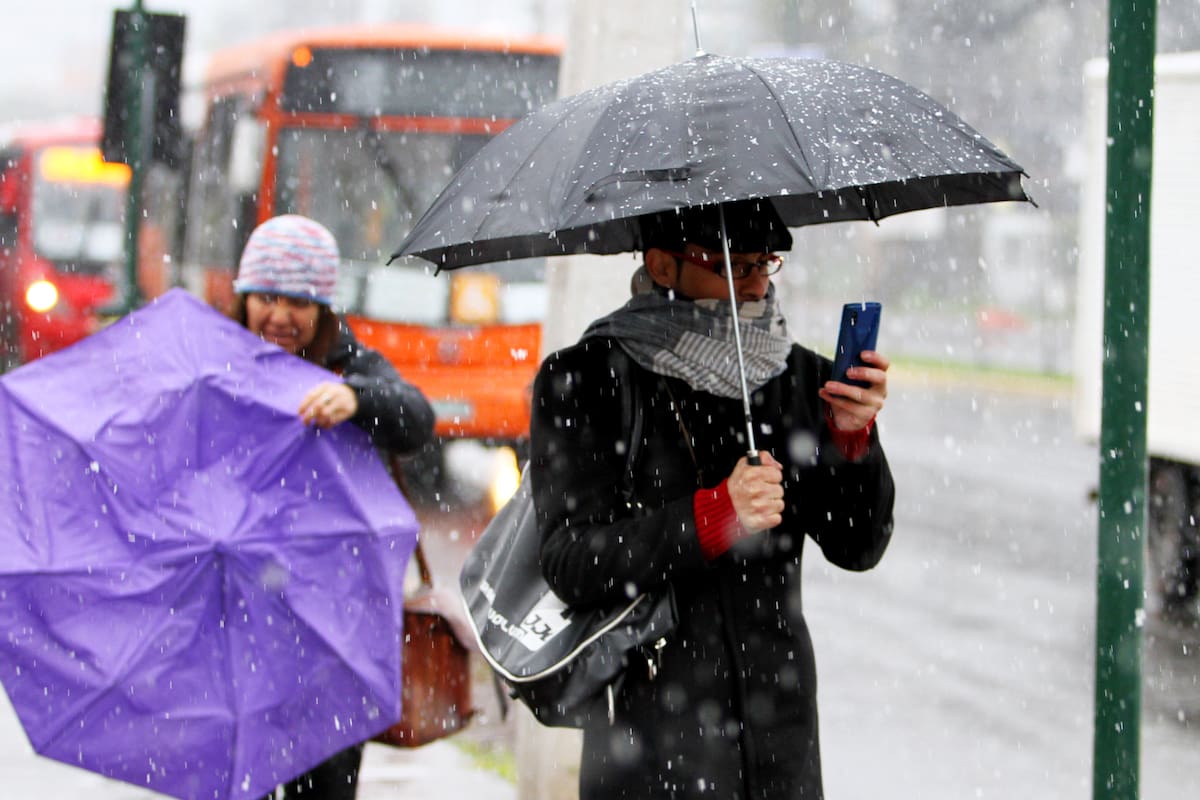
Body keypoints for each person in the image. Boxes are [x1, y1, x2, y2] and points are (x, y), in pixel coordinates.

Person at [529, 199, 895, 799]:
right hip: (648, 739)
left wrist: (851, 440)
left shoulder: (799, 378)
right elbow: (571, 560)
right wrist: (712, 518)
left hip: (779, 739)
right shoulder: (587, 379)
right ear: (662, 266)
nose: (754, 285)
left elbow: (860, 543)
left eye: (764, 264)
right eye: (732, 266)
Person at [234, 214, 435, 800]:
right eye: (266, 297)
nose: (279, 316)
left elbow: (416, 419)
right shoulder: (220, 368)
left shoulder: (351, 369)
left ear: (323, 309)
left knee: (324, 783)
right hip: (242, 622)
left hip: (335, 631)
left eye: (298, 301)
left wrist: (357, 399)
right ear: (245, 299)